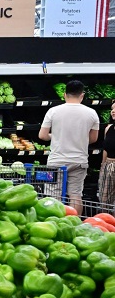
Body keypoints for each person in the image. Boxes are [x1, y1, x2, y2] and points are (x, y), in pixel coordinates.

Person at [38, 80, 99, 215]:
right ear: (82, 95)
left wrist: (55, 136)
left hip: (57, 160)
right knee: (76, 195)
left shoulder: (53, 111)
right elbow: (93, 139)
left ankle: (54, 222)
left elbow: (42, 135)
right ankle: (74, 223)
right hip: (79, 160)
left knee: (54, 196)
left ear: (65, 95)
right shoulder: (92, 113)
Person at [99, 101, 115, 209]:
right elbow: (105, 149)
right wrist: (103, 165)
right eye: (112, 109)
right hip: (108, 166)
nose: (113, 111)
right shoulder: (108, 128)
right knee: (104, 200)